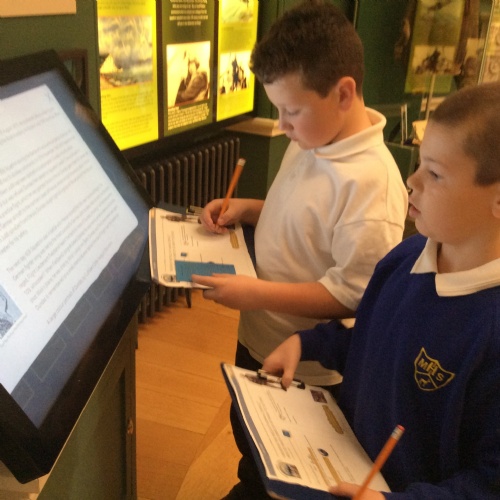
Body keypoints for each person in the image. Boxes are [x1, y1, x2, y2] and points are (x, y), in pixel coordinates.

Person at [193, 2, 408, 497]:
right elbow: (302, 217)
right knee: (250, 438)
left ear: (343, 93)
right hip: (261, 334)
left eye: (291, 111)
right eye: (278, 110)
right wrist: (249, 209)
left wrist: (257, 293)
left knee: (289, 467)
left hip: (309, 367)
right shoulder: (312, 138)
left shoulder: (371, 186)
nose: (282, 125)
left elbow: (353, 296)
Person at [262, 81, 500, 498]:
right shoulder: (405, 258)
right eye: (420, 163)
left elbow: (488, 482)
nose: (412, 180)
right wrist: (308, 342)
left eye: (435, 174)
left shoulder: (490, 329)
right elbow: (375, 341)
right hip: (343, 467)